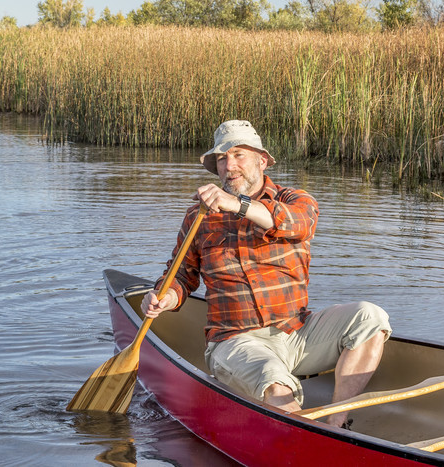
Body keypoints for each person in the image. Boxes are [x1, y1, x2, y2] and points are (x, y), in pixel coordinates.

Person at [142, 120, 391, 429]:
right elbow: (182, 275)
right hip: (235, 341)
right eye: (222, 159)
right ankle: (307, 440)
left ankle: (337, 421)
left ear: (261, 160)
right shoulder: (199, 216)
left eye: (238, 155)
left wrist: (237, 205)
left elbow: (297, 224)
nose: (229, 166)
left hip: (295, 332)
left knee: (371, 317)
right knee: (276, 384)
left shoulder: (295, 201)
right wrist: (164, 296)